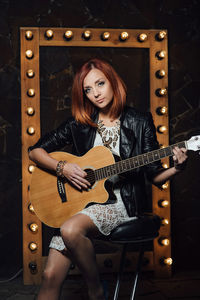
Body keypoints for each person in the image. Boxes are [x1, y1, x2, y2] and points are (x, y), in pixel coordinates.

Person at [28, 58, 187, 300]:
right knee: (50, 277)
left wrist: (176, 168)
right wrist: (63, 168)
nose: (95, 94)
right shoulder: (80, 123)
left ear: (113, 81)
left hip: (120, 205)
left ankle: (96, 290)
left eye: (100, 84)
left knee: (70, 229)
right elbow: (35, 151)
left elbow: (155, 176)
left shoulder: (139, 121)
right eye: (88, 90)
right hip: (81, 204)